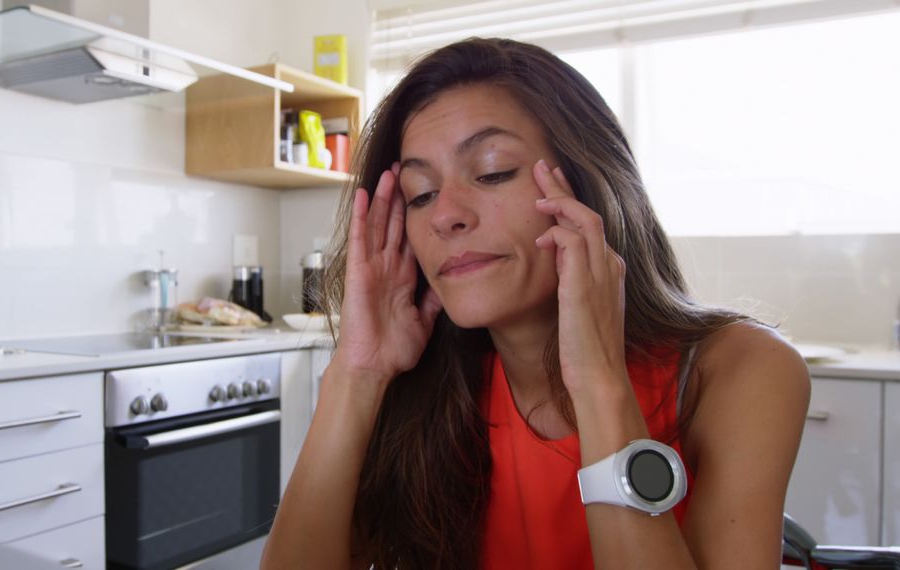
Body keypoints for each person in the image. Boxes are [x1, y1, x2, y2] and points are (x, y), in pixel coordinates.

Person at [261, 37, 810, 569]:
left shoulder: (741, 369)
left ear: (591, 186)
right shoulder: (423, 390)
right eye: (420, 194)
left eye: (493, 171)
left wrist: (598, 384)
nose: (446, 214)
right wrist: (356, 373)